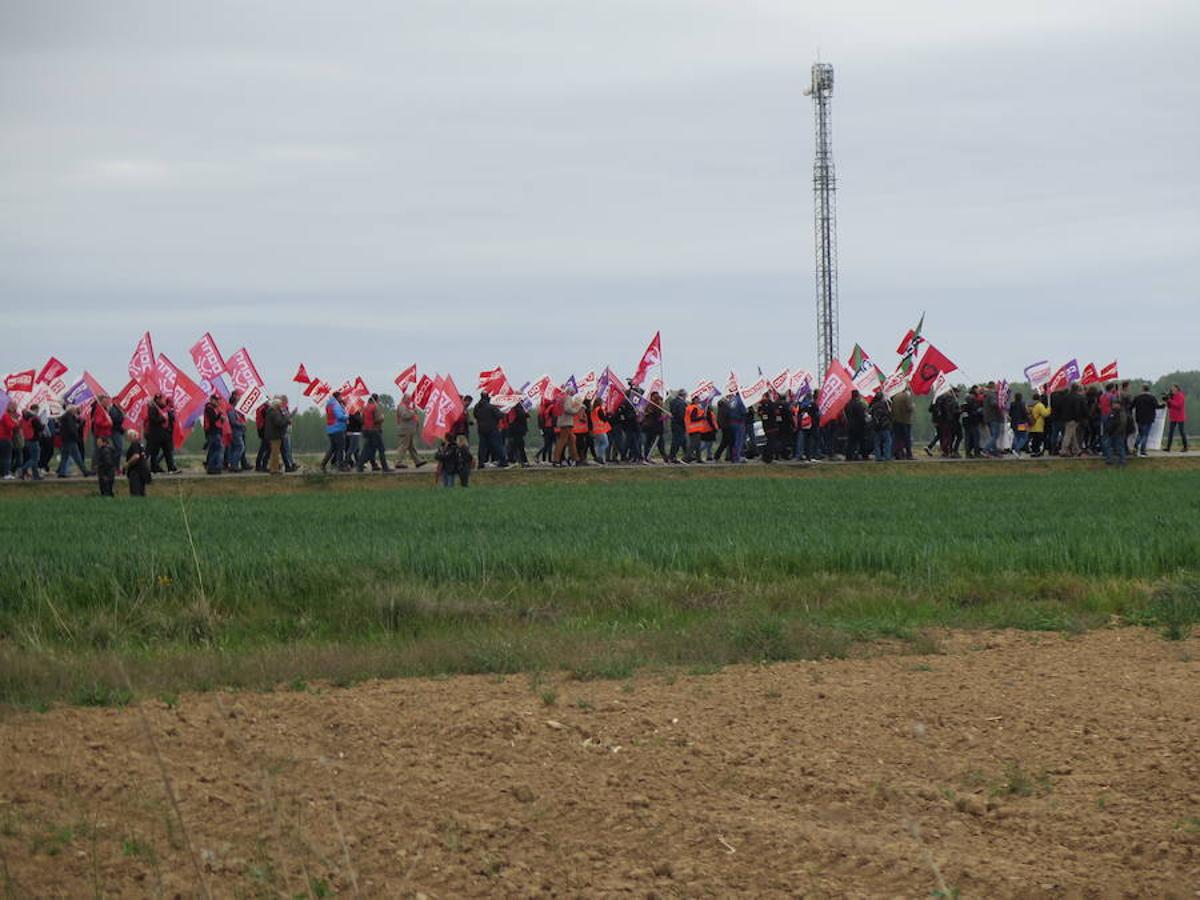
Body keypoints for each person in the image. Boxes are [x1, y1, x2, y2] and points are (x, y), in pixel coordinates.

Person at [146, 394, 179, 474]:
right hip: (156, 434)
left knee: (168, 451)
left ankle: (171, 468)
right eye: (161, 399)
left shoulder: (165, 408)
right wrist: (162, 418)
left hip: (165, 434)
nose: (163, 401)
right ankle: (154, 468)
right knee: (154, 452)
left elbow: (171, 418)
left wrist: (171, 414)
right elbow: (153, 419)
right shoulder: (152, 408)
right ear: (157, 400)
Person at [473, 392, 507, 468]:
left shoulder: (477, 407)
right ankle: (503, 462)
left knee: (482, 447)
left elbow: (475, 415)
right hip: (492, 429)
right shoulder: (491, 407)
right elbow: (500, 415)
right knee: (498, 445)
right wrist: (504, 413)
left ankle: (481, 463)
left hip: (481, 429)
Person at [358, 394, 390, 472]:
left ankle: (360, 466)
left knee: (366, 449)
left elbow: (361, 420)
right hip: (375, 430)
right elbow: (376, 419)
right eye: (378, 399)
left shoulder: (365, 408)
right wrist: (382, 417)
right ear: (376, 399)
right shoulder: (375, 407)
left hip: (366, 430)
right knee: (381, 449)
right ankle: (385, 467)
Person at [56, 404, 89, 477]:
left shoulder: (67, 417)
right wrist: (76, 434)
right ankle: (84, 471)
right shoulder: (68, 417)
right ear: (71, 410)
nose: (75, 411)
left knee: (65, 457)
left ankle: (62, 473)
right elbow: (72, 429)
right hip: (70, 439)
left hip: (66, 439)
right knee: (77, 457)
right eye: (74, 409)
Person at [553, 387, 582, 466]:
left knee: (572, 440)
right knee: (562, 441)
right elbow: (568, 409)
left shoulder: (561, 398)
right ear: (570, 392)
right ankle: (556, 460)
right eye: (574, 392)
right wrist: (577, 409)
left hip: (564, 421)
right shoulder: (568, 398)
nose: (574, 394)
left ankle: (576, 459)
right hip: (566, 422)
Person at [395, 393, 425, 468]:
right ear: (404, 399)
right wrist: (413, 412)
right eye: (408, 399)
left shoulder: (406, 406)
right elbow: (404, 415)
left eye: (410, 399)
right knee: (403, 446)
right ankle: (398, 462)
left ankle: (418, 461)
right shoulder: (402, 406)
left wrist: (413, 411)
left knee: (411, 447)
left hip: (408, 430)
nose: (410, 400)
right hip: (405, 430)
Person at [321, 391, 349, 472]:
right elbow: (340, 416)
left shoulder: (329, 405)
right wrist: (346, 416)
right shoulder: (336, 405)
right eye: (341, 396)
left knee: (332, 448)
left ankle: (323, 464)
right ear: (338, 397)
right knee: (340, 448)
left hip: (330, 429)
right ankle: (340, 466)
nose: (342, 398)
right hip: (338, 429)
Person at [1131, 384, 1160, 457]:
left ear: (1142, 389)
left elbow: (1131, 406)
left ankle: (1135, 447)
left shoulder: (1137, 397)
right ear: (1148, 389)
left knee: (1140, 434)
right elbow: (1157, 406)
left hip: (1139, 418)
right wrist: (1163, 405)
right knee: (1145, 435)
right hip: (1149, 419)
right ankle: (1143, 451)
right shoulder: (1152, 398)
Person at [264, 396, 288, 475]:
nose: (281, 405)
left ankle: (273, 468)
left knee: (274, 453)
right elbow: (279, 423)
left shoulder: (270, 411)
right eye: (280, 404)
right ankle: (275, 469)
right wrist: (286, 420)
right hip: (275, 435)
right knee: (275, 453)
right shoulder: (275, 412)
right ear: (277, 405)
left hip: (272, 434)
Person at [17, 406, 43, 480]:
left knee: (32, 458)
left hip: (27, 439)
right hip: (34, 439)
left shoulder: (22, 419)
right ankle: (23, 469)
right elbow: (40, 428)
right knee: (35, 459)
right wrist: (43, 424)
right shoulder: (34, 418)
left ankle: (36, 475)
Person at [202, 394, 224, 475]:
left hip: (216, 431)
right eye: (216, 400)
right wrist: (219, 415)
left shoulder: (214, 408)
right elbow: (212, 420)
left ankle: (211, 467)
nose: (218, 402)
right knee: (218, 449)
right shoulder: (209, 408)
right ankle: (214, 466)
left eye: (218, 400)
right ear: (212, 400)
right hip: (212, 432)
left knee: (213, 450)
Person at [125, 429, 151, 496]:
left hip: (136, 471)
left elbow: (136, 456)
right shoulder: (140, 445)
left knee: (135, 492)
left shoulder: (134, 444)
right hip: (143, 470)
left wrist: (127, 464)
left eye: (128, 436)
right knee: (141, 491)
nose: (127, 438)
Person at [1105, 393, 1129, 466]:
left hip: (1118, 433)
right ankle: (1109, 460)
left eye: (1115, 403)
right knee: (1108, 446)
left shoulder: (1121, 412)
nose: (1113, 405)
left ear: (1119, 404)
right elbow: (1108, 421)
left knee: (1120, 447)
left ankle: (1122, 461)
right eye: (1113, 403)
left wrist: (1117, 432)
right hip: (1110, 433)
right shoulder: (1111, 412)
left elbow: (1123, 423)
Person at [891, 386, 914, 460]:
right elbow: (909, 408)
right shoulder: (906, 397)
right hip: (905, 421)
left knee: (897, 439)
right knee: (907, 439)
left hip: (896, 421)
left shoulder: (895, 397)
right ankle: (909, 455)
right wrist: (913, 406)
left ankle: (898, 454)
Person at [869, 391, 893, 461]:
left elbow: (870, 414)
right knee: (887, 442)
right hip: (885, 426)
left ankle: (878, 457)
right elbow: (889, 414)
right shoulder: (885, 405)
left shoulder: (873, 406)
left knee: (877, 443)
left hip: (876, 427)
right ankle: (887, 456)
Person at [1164, 384, 1188, 452]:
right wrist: (1167, 401)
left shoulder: (1180, 395)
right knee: (1170, 432)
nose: (1172, 390)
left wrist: (1170, 400)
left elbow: (1178, 405)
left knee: (1182, 432)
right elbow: (1169, 406)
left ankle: (1185, 447)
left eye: (1173, 388)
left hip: (1180, 416)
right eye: (1172, 389)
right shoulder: (1171, 396)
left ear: (1177, 389)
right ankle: (1168, 447)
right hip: (1173, 416)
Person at [667, 389, 687, 463]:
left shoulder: (673, 401)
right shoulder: (682, 403)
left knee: (682, 440)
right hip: (680, 424)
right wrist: (685, 423)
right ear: (683, 395)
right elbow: (682, 415)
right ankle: (672, 456)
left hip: (674, 423)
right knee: (677, 441)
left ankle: (688, 455)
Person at [1028, 392, 1051, 457]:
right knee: (1039, 440)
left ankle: (1033, 451)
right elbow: (1045, 414)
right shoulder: (1040, 405)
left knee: (1034, 439)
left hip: (1032, 424)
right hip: (1038, 425)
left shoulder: (1030, 405)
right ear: (1039, 398)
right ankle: (1037, 451)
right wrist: (1049, 409)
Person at [0, 401, 18, 479]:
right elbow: (10, 427)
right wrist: (15, 423)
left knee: (3, 457)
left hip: (3, 438)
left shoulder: (4, 415)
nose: (15, 408)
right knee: (7, 457)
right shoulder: (5, 415)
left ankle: (3, 472)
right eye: (13, 406)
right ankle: (6, 474)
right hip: (5, 438)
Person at [1009, 392, 1030, 456]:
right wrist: (1028, 420)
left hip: (1014, 423)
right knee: (1024, 437)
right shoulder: (1022, 404)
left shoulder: (1012, 404)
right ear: (1021, 397)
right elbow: (1025, 414)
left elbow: (1010, 414)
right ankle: (1017, 449)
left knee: (1016, 436)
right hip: (1021, 423)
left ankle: (1014, 449)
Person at [345, 405, 364, 469]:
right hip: (354, 432)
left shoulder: (348, 411)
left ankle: (358, 463)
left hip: (349, 432)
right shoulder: (355, 412)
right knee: (351, 449)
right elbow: (360, 421)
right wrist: (362, 417)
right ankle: (346, 463)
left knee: (356, 449)